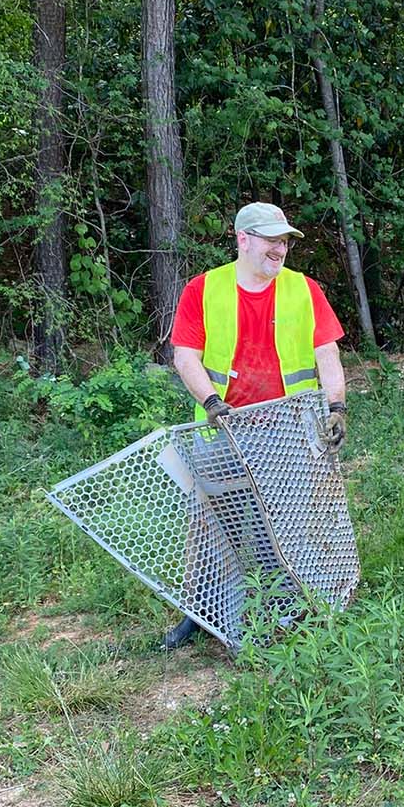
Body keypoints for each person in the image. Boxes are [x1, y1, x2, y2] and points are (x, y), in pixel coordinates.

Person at [164, 201, 349, 648]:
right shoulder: (203, 290)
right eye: (270, 239)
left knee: (287, 525)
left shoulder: (304, 290)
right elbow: (185, 356)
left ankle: (290, 610)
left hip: (287, 432)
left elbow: (328, 354)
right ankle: (203, 613)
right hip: (221, 431)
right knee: (211, 527)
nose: (280, 248)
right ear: (242, 239)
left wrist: (337, 407)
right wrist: (211, 401)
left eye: (284, 240)